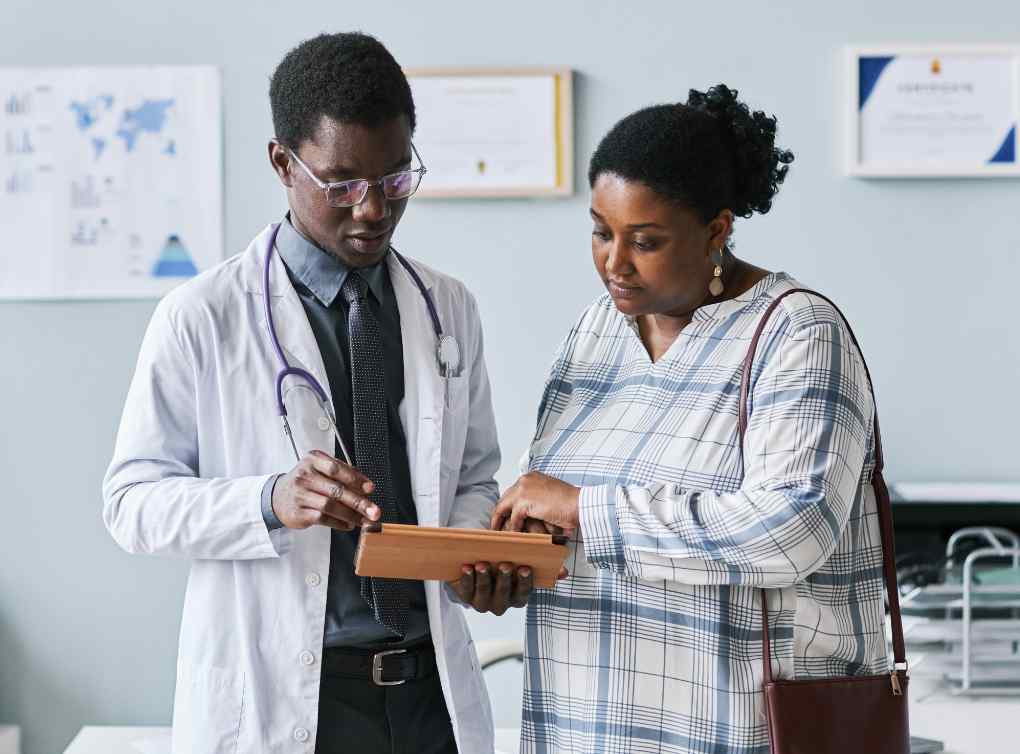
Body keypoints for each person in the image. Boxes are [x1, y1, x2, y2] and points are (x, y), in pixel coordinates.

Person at [104, 32, 531, 754]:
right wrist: (268, 500)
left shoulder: (447, 306)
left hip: (429, 697)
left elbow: (473, 477)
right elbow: (130, 504)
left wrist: (472, 557)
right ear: (283, 162)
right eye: (343, 184)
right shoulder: (204, 315)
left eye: (395, 180)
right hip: (289, 695)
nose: (372, 209)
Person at [492, 85, 888, 753]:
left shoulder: (795, 332)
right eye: (600, 231)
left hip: (738, 733)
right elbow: (562, 520)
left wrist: (585, 511)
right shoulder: (595, 332)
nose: (613, 263)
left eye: (644, 240)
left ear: (716, 231)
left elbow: (792, 530)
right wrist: (511, 560)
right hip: (584, 725)